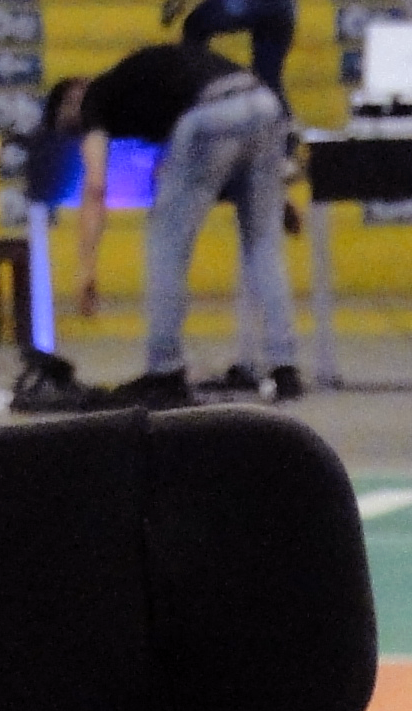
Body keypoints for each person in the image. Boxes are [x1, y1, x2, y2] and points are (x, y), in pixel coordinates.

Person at [65, 46, 304, 407]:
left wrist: (86, 269)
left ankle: (165, 372)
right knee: (263, 246)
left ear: (73, 96)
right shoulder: (147, 91)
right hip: (264, 104)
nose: (74, 133)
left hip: (211, 113)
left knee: (165, 243)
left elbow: (96, 186)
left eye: (67, 125)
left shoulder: (95, 97)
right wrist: (278, 200)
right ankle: (286, 369)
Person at [168, 0, 296, 104]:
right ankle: (286, 126)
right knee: (268, 76)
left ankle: (194, 92)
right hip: (285, 8)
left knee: (196, 26)